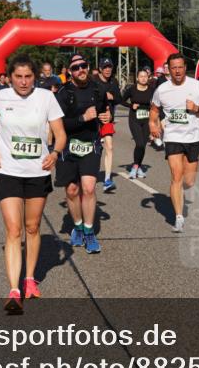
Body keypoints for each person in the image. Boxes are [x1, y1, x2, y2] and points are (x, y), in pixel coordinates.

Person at [0, 55, 67, 314]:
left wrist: (55, 153)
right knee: (14, 230)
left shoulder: (46, 98)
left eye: (28, 77)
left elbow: (60, 134)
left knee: (32, 227)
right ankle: (14, 290)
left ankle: (29, 279)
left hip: (38, 171)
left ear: (35, 77)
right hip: (8, 171)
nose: (23, 82)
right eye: (18, 77)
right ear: (10, 77)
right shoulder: (0, 97)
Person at [55, 54, 110, 253]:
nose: (81, 70)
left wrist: (107, 116)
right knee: (72, 190)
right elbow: (58, 123)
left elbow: (105, 110)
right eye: (76, 67)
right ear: (70, 72)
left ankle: (89, 231)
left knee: (88, 188)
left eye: (83, 65)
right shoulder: (63, 93)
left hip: (90, 144)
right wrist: (82, 118)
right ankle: (77, 227)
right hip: (67, 145)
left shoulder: (97, 89)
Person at [150, 53, 199, 233]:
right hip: (172, 137)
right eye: (173, 68)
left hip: (193, 138)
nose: (177, 71)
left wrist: (196, 108)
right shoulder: (162, 89)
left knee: (189, 182)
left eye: (180, 67)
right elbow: (154, 110)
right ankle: (178, 217)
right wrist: (152, 125)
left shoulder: (195, 85)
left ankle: (180, 192)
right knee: (176, 176)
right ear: (168, 69)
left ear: (185, 68)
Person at [93, 58, 122, 192]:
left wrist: (112, 97)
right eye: (105, 67)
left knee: (109, 147)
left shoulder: (113, 81)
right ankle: (88, 174)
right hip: (93, 119)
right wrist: (104, 96)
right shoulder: (93, 81)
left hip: (107, 119)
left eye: (109, 67)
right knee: (94, 149)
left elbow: (119, 99)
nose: (107, 69)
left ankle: (107, 180)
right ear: (100, 69)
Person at [121, 67, 154, 179]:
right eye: (141, 76)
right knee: (139, 144)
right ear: (137, 78)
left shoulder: (152, 90)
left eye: (145, 76)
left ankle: (138, 166)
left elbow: (157, 104)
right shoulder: (132, 89)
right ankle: (135, 167)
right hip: (134, 119)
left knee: (143, 146)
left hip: (147, 120)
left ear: (148, 78)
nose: (143, 78)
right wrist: (131, 105)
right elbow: (121, 100)